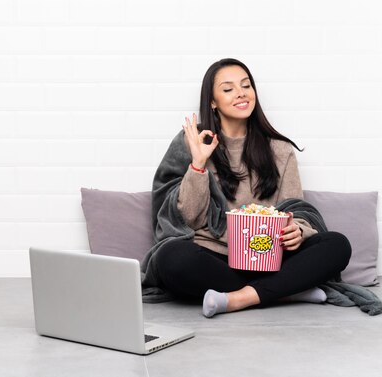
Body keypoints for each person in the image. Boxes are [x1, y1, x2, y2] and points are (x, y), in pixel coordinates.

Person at [149, 58, 352, 318]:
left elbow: (296, 209)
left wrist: (297, 231)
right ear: (212, 101)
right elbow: (187, 217)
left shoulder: (279, 150)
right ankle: (286, 291)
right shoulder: (193, 142)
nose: (241, 93)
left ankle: (239, 298)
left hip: (270, 258)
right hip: (215, 258)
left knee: (337, 244)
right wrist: (198, 163)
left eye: (246, 85)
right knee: (172, 259)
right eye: (228, 88)